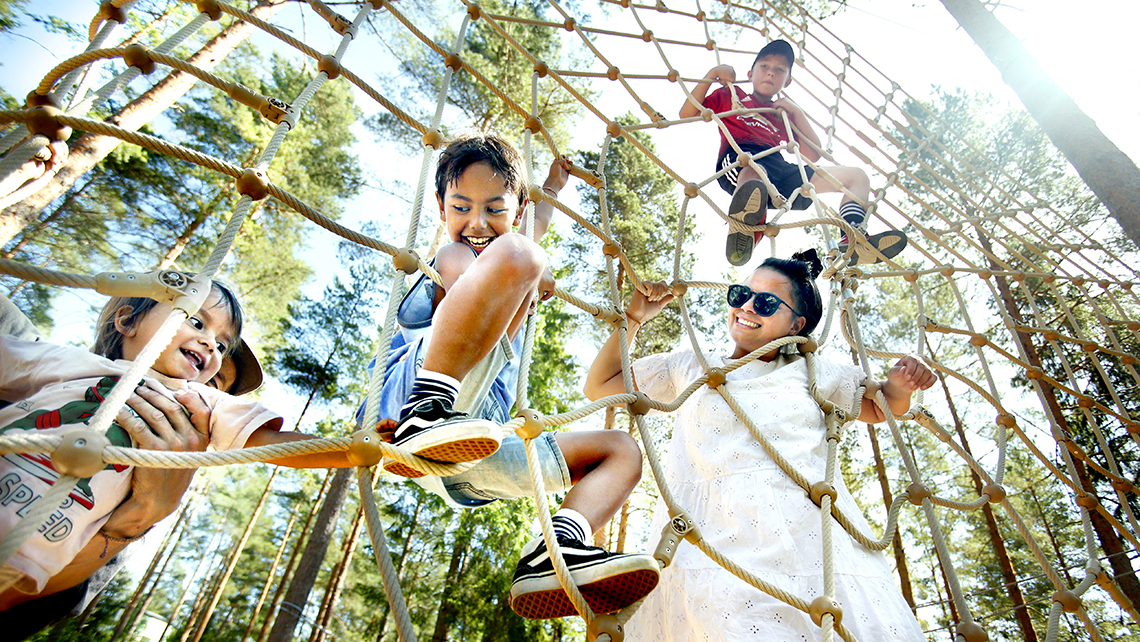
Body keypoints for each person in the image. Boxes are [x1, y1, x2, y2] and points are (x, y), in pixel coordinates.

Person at [369, 134, 658, 620]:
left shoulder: (515, 241)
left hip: (476, 446)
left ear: (517, 211)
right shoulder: (451, 256)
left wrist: (553, 185)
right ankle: (427, 411)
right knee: (505, 257)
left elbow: (529, 233)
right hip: (405, 405)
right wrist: (526, 268)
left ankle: (555, 550)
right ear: (441, 208)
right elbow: (510, 256)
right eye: (461, 207)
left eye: (494, 209)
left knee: (622, 451)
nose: (477, 222)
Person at [585, 250, 933, 640]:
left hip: (805, 536)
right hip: (708, 537)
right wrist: (634, 318)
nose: (747, 307)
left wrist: (900, 386)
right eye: (740, 295)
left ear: (796, 324)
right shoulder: (692, 365)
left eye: (766, 302)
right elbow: (600, 386)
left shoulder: (811, 371)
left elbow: (880, 405)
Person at [0, 280, 353, 599]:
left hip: (30, 550)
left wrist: (353, 451)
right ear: (127, 321)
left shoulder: (196, 403)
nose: (210, 344)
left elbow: (274, 442)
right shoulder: (70, 364)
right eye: (196, 322)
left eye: (221, 344)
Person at [679, 39, 907, 267]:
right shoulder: (732, 95)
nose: (771, 73)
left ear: (787, 81)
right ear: (750, 73)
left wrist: (797, 113)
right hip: (741, 159)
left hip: (780, 168)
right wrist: (713, 74)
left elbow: (813, 154)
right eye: (765, 66)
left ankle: (853, 238)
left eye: (779, 70)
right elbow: (686, 113)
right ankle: (745, 228)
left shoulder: (781, 114)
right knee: (754, 174)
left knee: (856, 176)